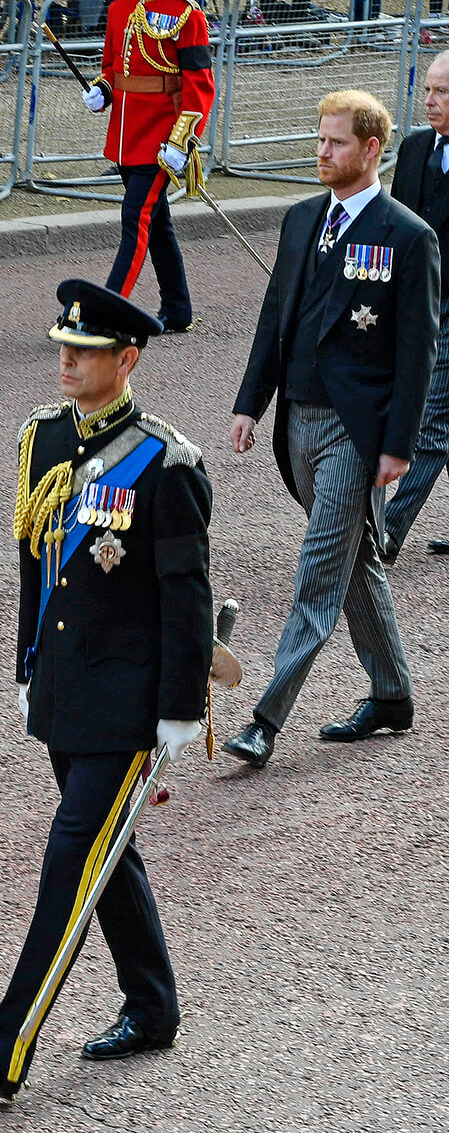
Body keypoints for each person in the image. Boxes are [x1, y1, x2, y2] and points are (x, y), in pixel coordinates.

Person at [0, 280, 210, 1101]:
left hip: (129, 701)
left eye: (85, 351)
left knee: (69, 858)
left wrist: (176, 710)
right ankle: (151, 1005)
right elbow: (33, 562)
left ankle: (4, 1045)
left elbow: (184, 597)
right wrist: (26, 667)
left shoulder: (166, 460)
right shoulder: (42, 439)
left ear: (126, 360)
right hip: (65, 688)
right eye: (63, 345)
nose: (67, 358)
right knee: (105, 855)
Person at [224, 90, 439, 769]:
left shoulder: (408, 235)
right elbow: (273, 319)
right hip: (298, 425)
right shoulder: (296, 222)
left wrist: (398, 445)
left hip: (356, 432)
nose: (322, 152)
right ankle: (391, 695)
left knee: (317, 575)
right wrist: (248, 403)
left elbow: (417, 354)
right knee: (356, 565)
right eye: (319, 140)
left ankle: (264, 719)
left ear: (371, 150)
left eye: (336, 143)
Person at [81, 0, 215, 332]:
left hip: (160, 138)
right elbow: (114, 68)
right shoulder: (118, 7)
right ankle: (177, 307)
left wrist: (182, 139)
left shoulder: (186, 12)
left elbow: (200, 85)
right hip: (126, 138)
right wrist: (103, 89)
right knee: (157, 223)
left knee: (135, 218)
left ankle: (108, 309)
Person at [381, 50, 449, 561]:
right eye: (427, 89)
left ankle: (387, 535)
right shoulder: (414, 147)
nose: (430, 101)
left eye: (443, 92)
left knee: (432, 423)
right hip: (410, 307)